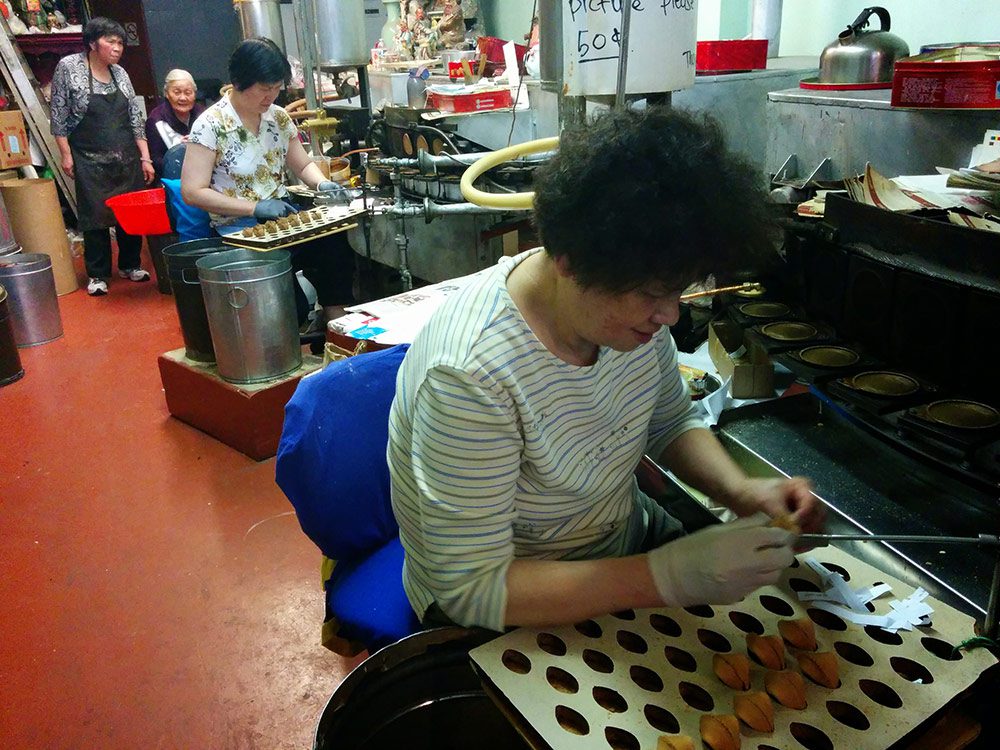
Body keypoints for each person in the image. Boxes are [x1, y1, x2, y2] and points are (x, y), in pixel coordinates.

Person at [387, 107, 826, 632]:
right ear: (570, 259)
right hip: (513, 599)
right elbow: (473, 590)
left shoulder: (628, 316)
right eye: (651, 294)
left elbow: (667, 422)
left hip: (618, 546)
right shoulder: (471, 375)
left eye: (677, 289)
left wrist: (740, 491)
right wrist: (668, 576)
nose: (670, 315)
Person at [181, 37, 355, 326]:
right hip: (239, 231)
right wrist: (253, 208)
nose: (271, 97)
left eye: (276, 88)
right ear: (238, 82)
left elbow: (302, 163)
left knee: (334, 245)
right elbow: (192, 191)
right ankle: (299, 323)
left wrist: (322, 184)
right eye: (264, 89)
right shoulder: (210, 125)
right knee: (289, 308)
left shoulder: (279, 118)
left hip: (282, 219)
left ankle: (336, 323)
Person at [51, 16, 155, 297]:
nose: (117, 47)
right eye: (111, 41)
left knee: (130, 212)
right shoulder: (69, 68)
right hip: (88, 156)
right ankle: (97, 275)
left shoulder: (121, 73)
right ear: (92, 43)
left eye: (120, 42)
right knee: (95, 216)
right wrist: (66, 154)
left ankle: (130, 265)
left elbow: (135, 117)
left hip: (125, 156)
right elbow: (58, 116)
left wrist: (145, 157)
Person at [144, 69, 205, 178]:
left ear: (194, 95)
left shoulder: (204, 115)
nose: (182, 98)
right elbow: (156, 160)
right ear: (166, 94)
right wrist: (178, 150)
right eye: (176, 92)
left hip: (204, 174)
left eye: (188, 93)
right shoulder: (155, 120)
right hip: (172, 180)